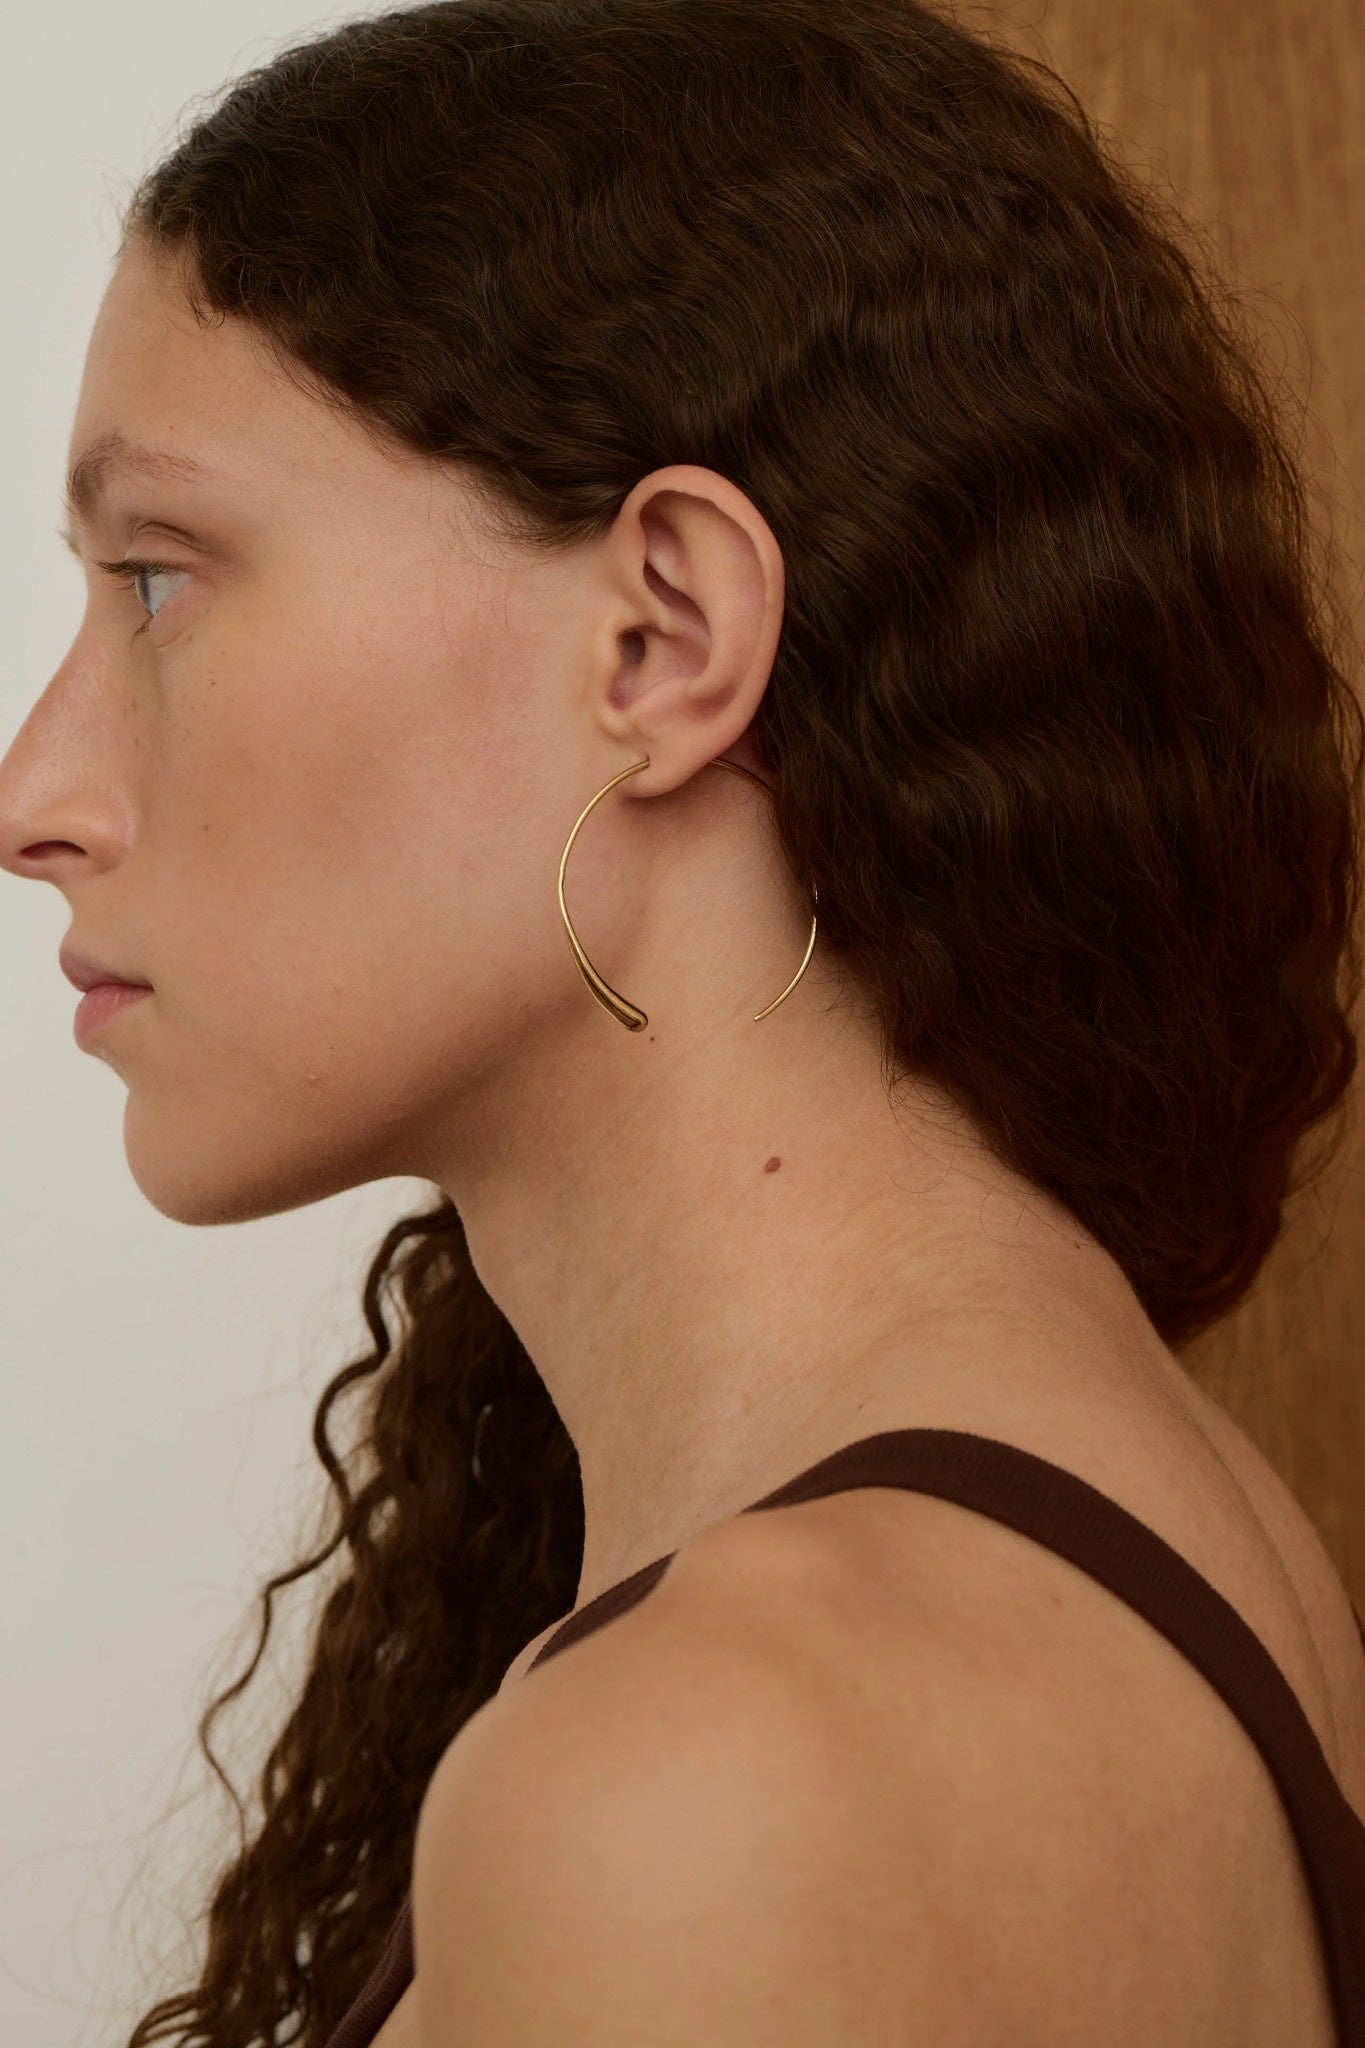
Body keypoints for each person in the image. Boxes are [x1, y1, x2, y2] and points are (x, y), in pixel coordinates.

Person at [2, 1, 1363, 2043]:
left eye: (161, 578)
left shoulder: (722, 1775)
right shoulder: (1130, 1540)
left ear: (660, 638)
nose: (39, 792)